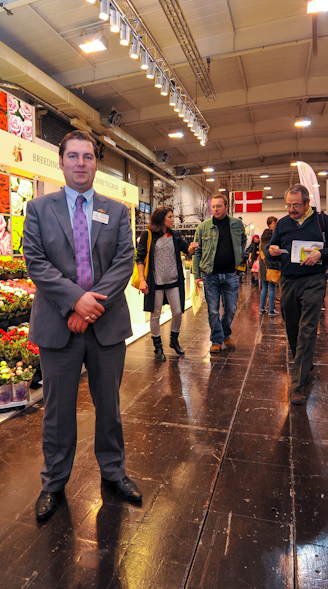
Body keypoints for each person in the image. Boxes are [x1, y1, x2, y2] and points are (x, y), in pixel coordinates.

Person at [24, 130, 142, 520]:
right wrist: (75, 300)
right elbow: (36, 262)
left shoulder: (117, 211)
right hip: (58, 324)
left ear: (96, 163)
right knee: (57, 411)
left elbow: (123, 262)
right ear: (60, 162)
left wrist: (89, 308)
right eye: (72, 156)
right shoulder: (39, 209)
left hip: (105, 325)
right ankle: (53, 483)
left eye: (87, 156)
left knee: (110, 406)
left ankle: (114, 472)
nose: (80, 163)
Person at [268, 184, 328, 405]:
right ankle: (304, 361)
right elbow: (271, 249)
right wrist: (272, 251)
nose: (291, 209)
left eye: (296, 205)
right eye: (288, 205)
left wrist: (321, 253)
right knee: (292, 326)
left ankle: (298, 385)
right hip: (288, 281)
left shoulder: (323, 221)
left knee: (308, 329)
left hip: (314, 281)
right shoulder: (283, 224)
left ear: (307, 203)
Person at [136, 206, 198, 361]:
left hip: (173, 281)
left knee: (177, 311)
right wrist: (142, 280)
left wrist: (192, 248)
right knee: (155, 314)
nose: (173, 219)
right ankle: (157, 346)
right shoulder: (148, 235)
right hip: (155, 282)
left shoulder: (175, 235)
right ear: (161, 218)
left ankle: (174, 340)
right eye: (170, 217)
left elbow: (187, 250)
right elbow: (140, 258)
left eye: (173, 217)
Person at [193, 193, 247, 354]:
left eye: (219, 206)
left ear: (226, 207)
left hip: (231, 274)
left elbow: (243, 240)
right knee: (213, 310)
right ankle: (217, 340)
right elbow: (196, 252)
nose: (216, 209)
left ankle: (225, 333)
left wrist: (238, 255)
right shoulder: (203, 227)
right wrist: (196, 275)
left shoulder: (237, 224)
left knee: (230, 308)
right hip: (210, 275)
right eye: (213, 207)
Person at [258, 228, 279, 316]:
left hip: (263, 269)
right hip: (270, 268)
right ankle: (271, 309)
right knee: (271, 288)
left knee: (264, 288)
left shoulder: (261, 244)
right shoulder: (272, 246)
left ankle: (262, 308)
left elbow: (262, 257)